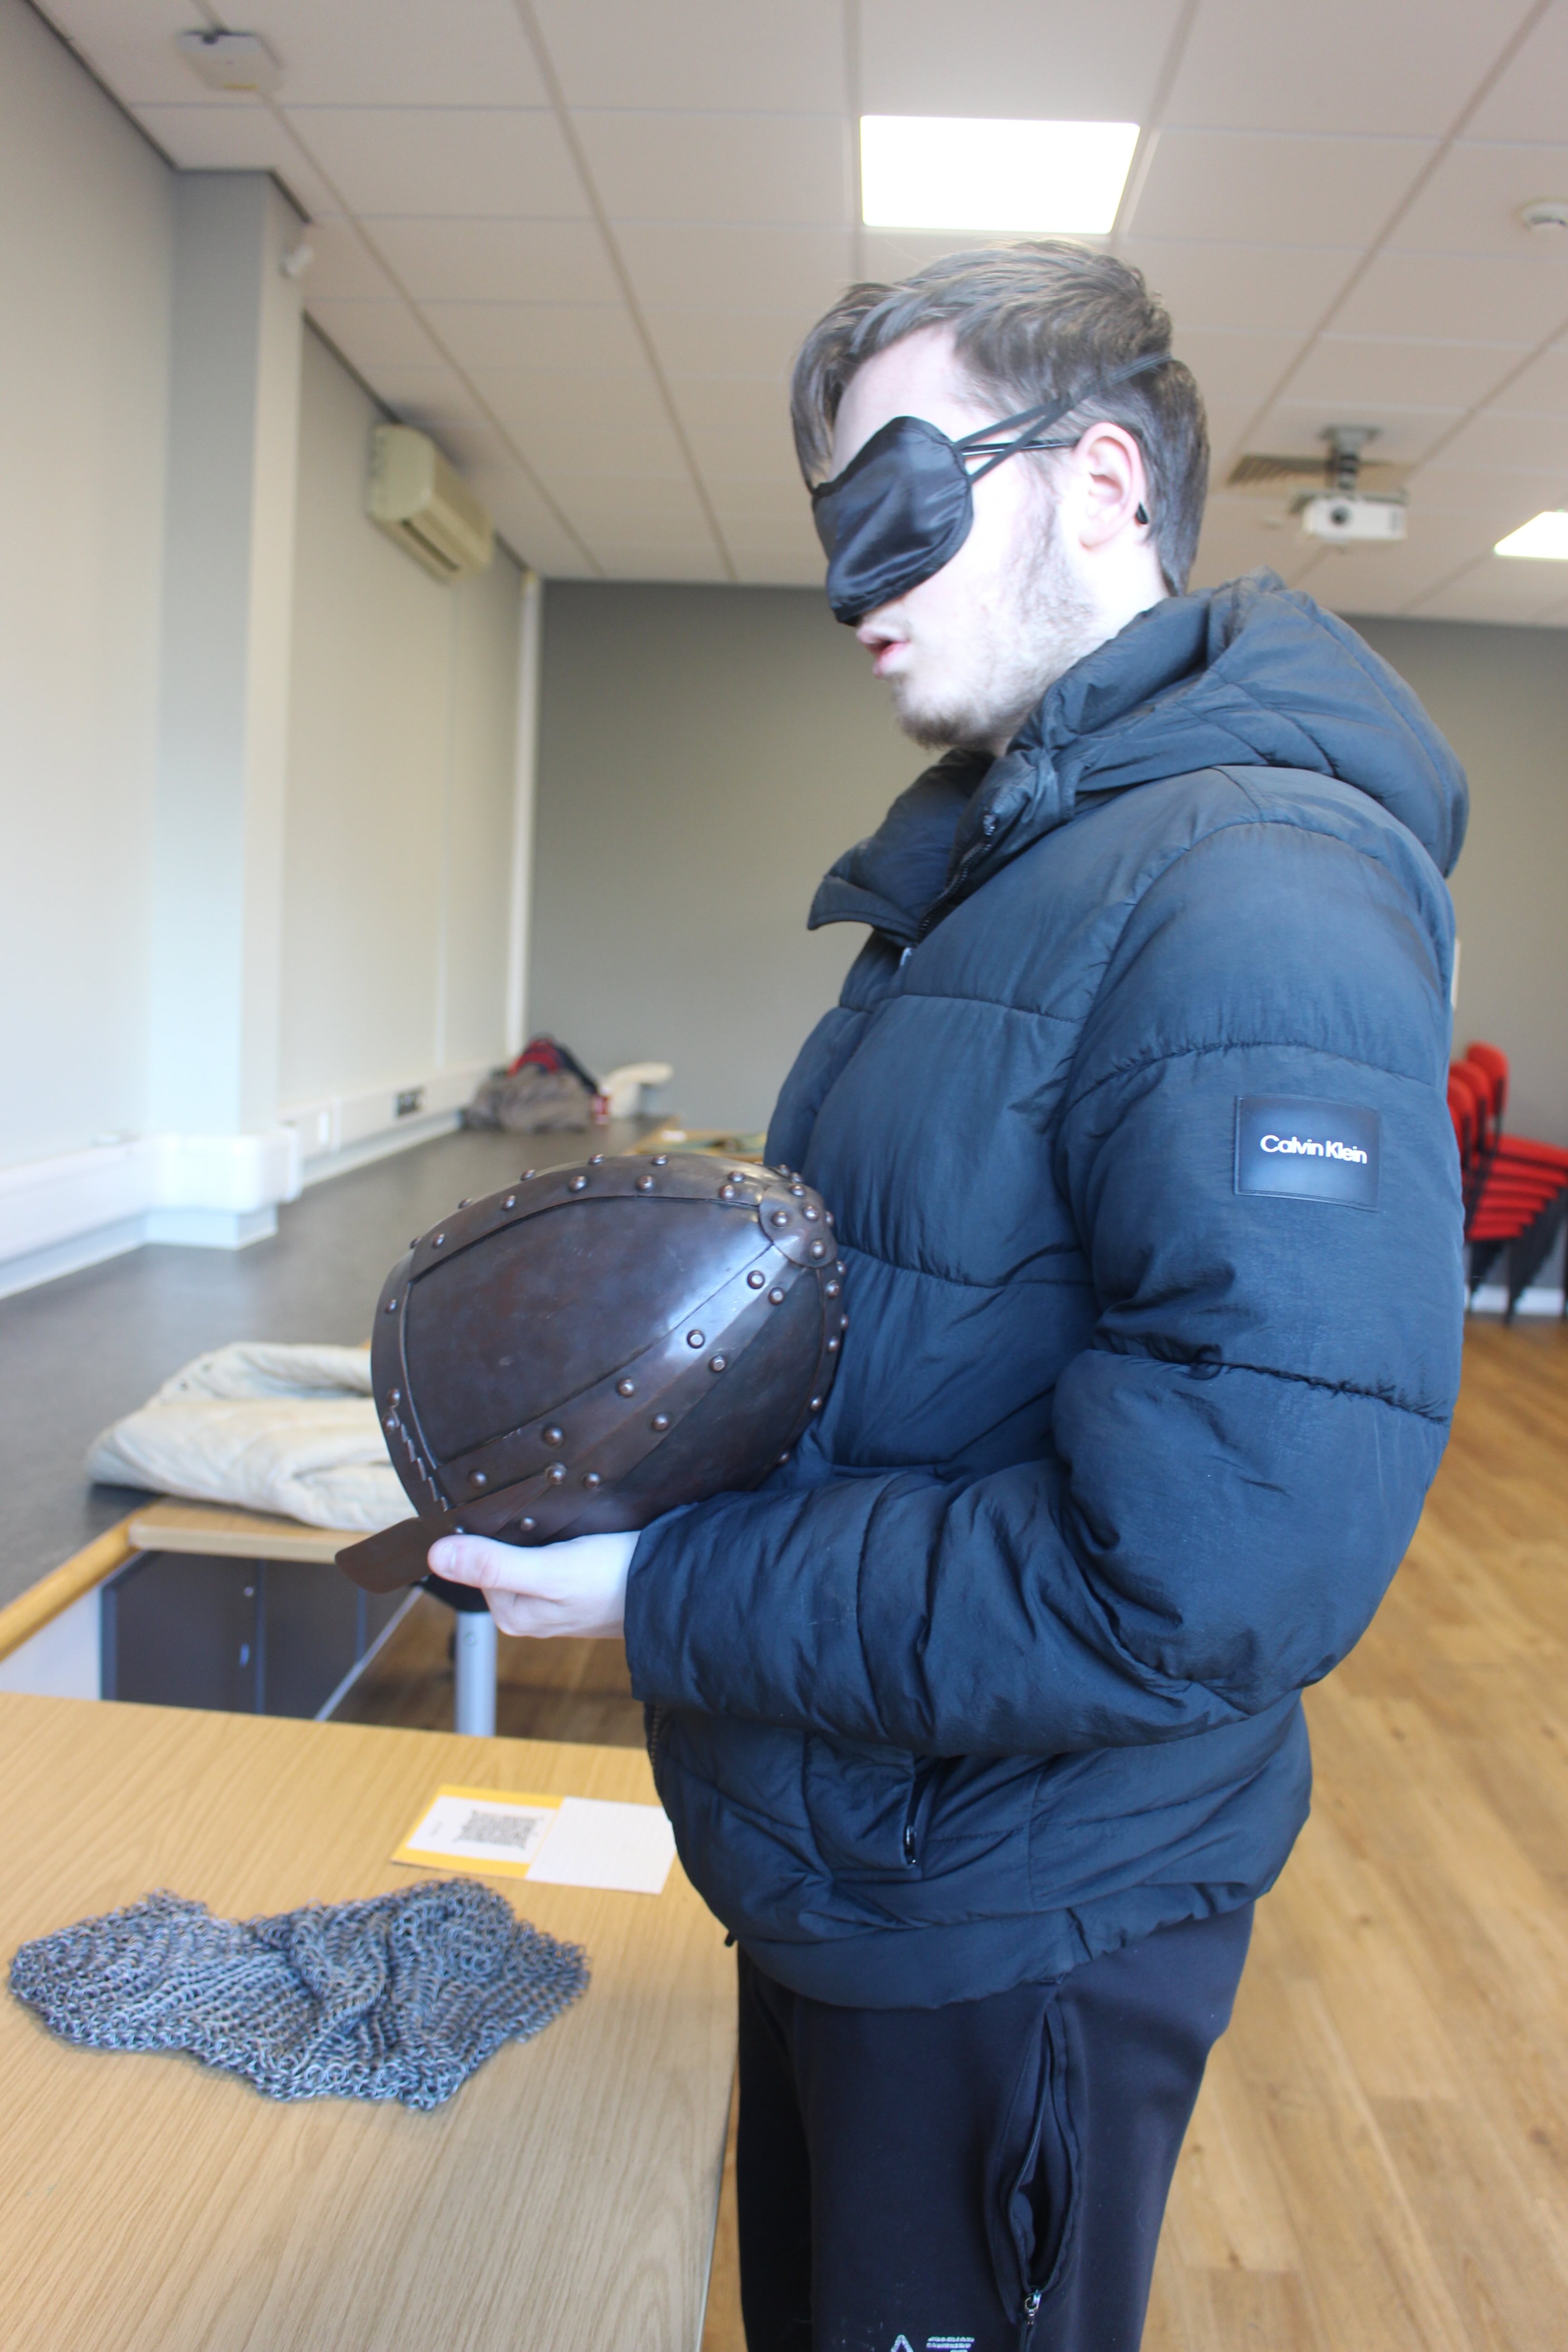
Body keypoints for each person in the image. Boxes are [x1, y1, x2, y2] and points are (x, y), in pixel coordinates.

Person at [430, 244, 1467, 2352]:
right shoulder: (1024, 861)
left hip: (1010, 1912)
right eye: (828, 519)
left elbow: (1204, 1568)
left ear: (1100, 481)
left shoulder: (1253, 895)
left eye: (894, 504)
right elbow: (931, 1319)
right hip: (869, 1853)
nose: (846, 586)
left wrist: (673, 1594)